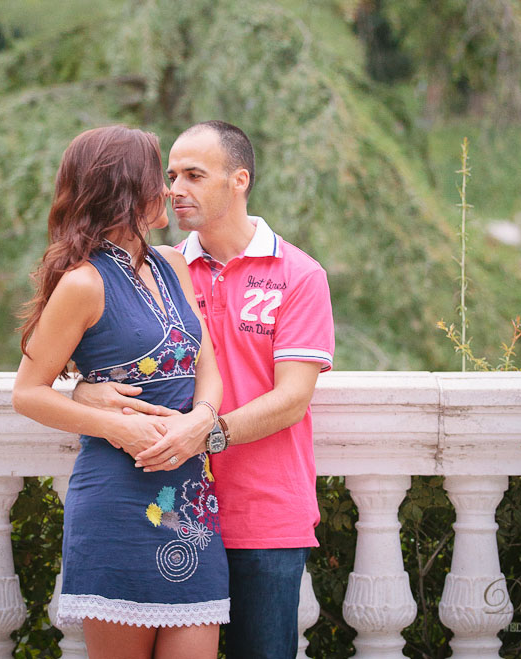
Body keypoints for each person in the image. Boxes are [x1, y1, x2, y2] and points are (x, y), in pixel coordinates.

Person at [76, 121, 335, 659]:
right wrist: (82, 391)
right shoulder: (157, 268)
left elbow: (292, 398)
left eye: (194, 175)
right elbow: (75, 345)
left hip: (262, 513)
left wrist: (207, 432)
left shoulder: (299, 275)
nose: (175, 188)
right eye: (170, 176)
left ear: (239, 180)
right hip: (166, 507)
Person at [12, 125, 229, 659]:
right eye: (160, 177)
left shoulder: (174, 264)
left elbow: (208, 361)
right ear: (127, 191)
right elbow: (28, 392)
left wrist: (203, 417)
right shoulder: (83, 283)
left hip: (190, 503)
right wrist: (118, 424)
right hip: (114, 501)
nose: (170, 190)